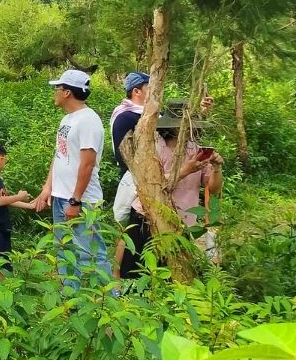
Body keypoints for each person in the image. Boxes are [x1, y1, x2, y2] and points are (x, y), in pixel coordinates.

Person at [119, 101, 224, 278]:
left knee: (173, 275)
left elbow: (212, 189)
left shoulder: (196, 149)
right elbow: (150, 184)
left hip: (181, 220)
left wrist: (216, 168)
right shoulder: (153, 147)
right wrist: (184, 171)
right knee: (137, 271)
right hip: (148, 215)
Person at [33, 69, 112, 288]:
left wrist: (75, 200)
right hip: (61, 196)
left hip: (81, 200)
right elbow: (60, 154)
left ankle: (105, 298)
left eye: (57, 88)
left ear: (67, 92)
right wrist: (48, 186)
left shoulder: (88, 120)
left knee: (89, 251)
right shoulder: (67, 120)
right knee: (64, 251)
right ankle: (72, 299)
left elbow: (87, 164)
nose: (55, 92)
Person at [0, 141, 36, 267]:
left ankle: (2, 286)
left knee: (4, 267)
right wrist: (19, 196)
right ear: (0, 159)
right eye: (5, 160)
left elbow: (6, 200)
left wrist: (31, 206)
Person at [111, 72, 150, 175]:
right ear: (136, 91)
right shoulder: (124, 118)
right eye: (149, 88)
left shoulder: (156, 114)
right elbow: (122, 155)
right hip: (134, 178)